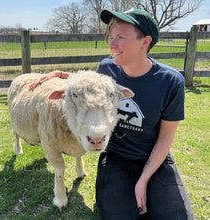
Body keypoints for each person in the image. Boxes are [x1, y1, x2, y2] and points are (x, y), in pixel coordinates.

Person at [30, 8, 194, 220]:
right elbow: (85, 85)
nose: (112, 44)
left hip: (153, 158)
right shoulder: (107, 68)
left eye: (121, 37)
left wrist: (143, 180)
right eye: (111, 37)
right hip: (115, 156)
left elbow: (165, 137)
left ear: (145, 41)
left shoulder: (170, 81)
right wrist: (60, 75)